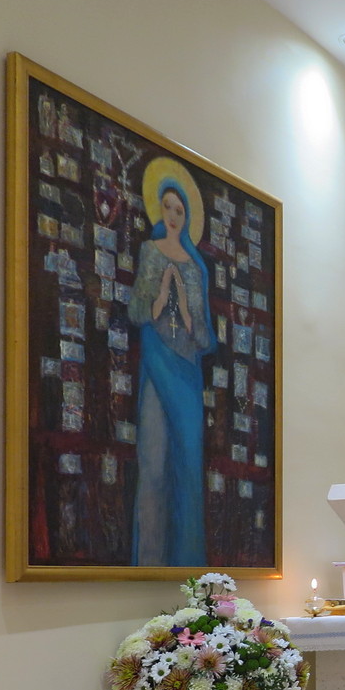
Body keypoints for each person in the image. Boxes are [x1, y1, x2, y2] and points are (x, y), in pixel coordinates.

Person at [128, 171, 216, 566]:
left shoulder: (195, 268)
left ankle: (187, 565)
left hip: (186, 373)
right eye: (168, 207)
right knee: (154, 464)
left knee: (188, 469)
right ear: (160, 210)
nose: (174, 215)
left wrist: (187, 309)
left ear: (187, 215)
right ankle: (149, 564)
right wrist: (162, 298)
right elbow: (136, 311)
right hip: (157, 365)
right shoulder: (150, 252)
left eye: (180, 210)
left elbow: (205, 337)